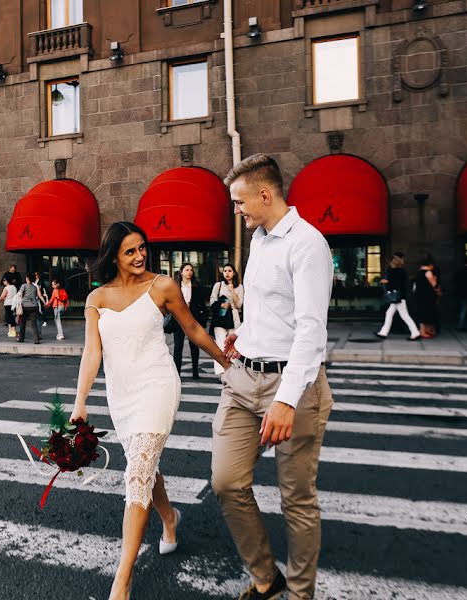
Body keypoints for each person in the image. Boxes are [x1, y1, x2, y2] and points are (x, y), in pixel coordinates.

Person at [70, 221, 229, 600]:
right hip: (122, 394)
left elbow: (193, 329)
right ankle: (169, 518)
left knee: (137, 472)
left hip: (158, 385)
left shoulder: (162, 286)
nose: (140, 255)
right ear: (114, 256)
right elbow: (93, 353)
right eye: (130, 251)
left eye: (142, 247)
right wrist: (81, 401)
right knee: (145, 465)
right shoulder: (97, 299)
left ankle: (122, 580)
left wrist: (228, 363)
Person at [216, 154, 334, 600]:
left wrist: (285, 400)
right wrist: (242, 337)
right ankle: (267, 577)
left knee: (296, 499)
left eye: (239, 201)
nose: (236, 210)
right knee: (226, 481)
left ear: (265, 195)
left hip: (294, 388)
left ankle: (300, 593)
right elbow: (269, 309)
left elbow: (310, 329)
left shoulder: (307, 244)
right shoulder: (261, 241)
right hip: (244, 378)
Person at [172, 263, 209, 379]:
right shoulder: (175, 286)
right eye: (187, 270)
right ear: (181, 272)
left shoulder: (197, 286)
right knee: (178, 347)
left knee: (194, 346)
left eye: (191, 270)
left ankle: (195, 372)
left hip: (193, 320)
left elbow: (202, 305)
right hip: (178, 320)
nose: (190, 272)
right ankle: (177, 372)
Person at [375, 252, 420, 341]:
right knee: (390, 313)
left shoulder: (393, 271)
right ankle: (383, 332)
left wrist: (386, 282)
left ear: (394, 261)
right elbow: (402, 284)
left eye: (392, 259)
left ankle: (415, 332)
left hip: (397, 296)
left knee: (404, 315)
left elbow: (395, 284)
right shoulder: (401, 271)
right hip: (399, 295)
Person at [210, 264, 245, 374]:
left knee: (233, 345)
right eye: (225, 271)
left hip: (234, 318)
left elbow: (239, 304)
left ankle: (233, 369)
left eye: (229, 271)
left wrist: (232, 291)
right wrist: (221, 305)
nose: (227, 273)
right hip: (221, 317)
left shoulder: (239, 287)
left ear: (234, 273)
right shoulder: (218, 285)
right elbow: (212, 300)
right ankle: (221, 371)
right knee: (220, 344)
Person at [411, 255, 439, 339]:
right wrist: (435, 279)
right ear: (430, 265)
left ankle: (423, 330)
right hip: (427, 296)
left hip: (419, 295)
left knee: (421, 313)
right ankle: (424, 331)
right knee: (427, 313)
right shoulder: (428, 272)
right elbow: (434, 285)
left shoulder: (418, 273)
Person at [17, 274, 43, 344]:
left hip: (25, 306)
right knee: (34, 324)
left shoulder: (24, 286)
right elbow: (38, 295)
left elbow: (20, 294)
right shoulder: (35, 287)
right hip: (34, 306)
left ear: (27, 278)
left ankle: (21, 339)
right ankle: (36, 339)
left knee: (23, 323)